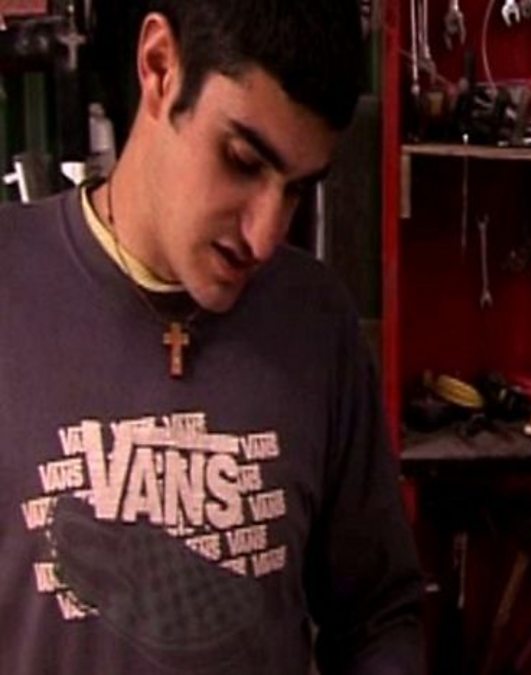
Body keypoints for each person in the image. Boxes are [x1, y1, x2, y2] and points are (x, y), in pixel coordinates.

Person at [0, 1, 423, 673]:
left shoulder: (316, 325)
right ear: (160, 67)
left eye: (296, 190)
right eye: (242, 161)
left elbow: (378, 619)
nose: (265, 234)